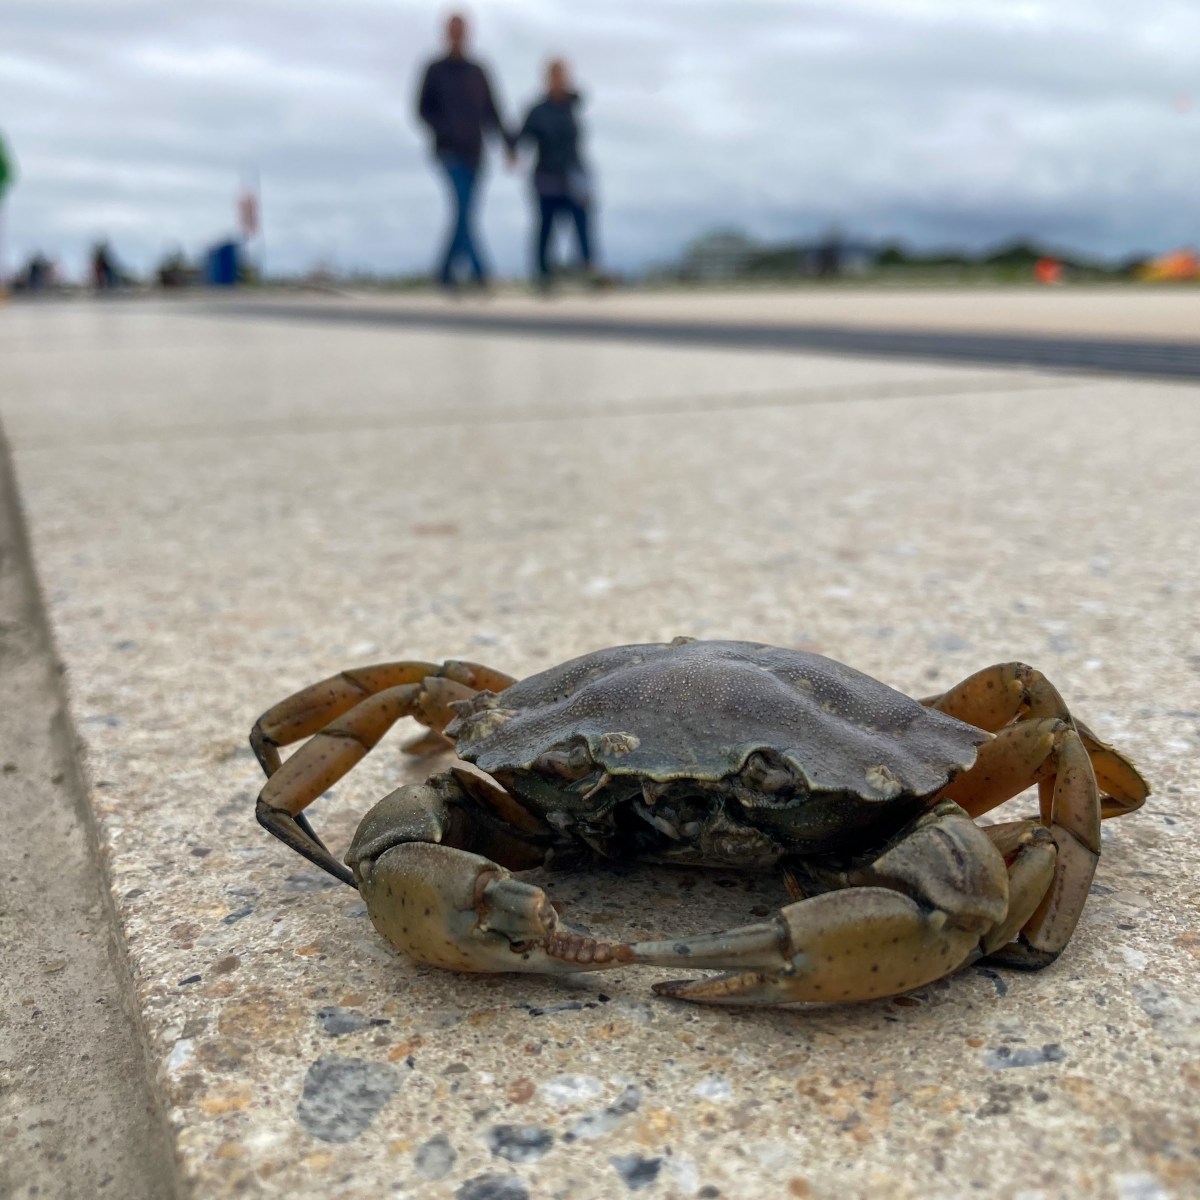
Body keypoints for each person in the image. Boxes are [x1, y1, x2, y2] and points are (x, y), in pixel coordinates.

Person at [416, 13, 510, 290]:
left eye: (462, 30)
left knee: (465, 213)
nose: (457, 35)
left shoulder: (478, 71)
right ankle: (481, 273)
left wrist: (508, 144)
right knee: (463, 209)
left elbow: (494, 111)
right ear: (446, 33)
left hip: (475, 152)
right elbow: (422, 109)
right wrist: (444, 130)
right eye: (453, 30)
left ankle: (445, 274)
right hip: (449, 152)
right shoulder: (435, 69)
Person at [512, 59, 595, 290]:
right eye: (556, 75)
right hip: (547, 177)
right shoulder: (538, 111)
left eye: (564, 75)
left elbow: (580, 97)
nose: (560, 80)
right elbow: (521, 137)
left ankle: (588, 270)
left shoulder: (572, 104)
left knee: (582, 224)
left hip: (573, 175)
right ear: (547, 78)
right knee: (546, 228)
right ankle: (543, 276)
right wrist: (512, 152)